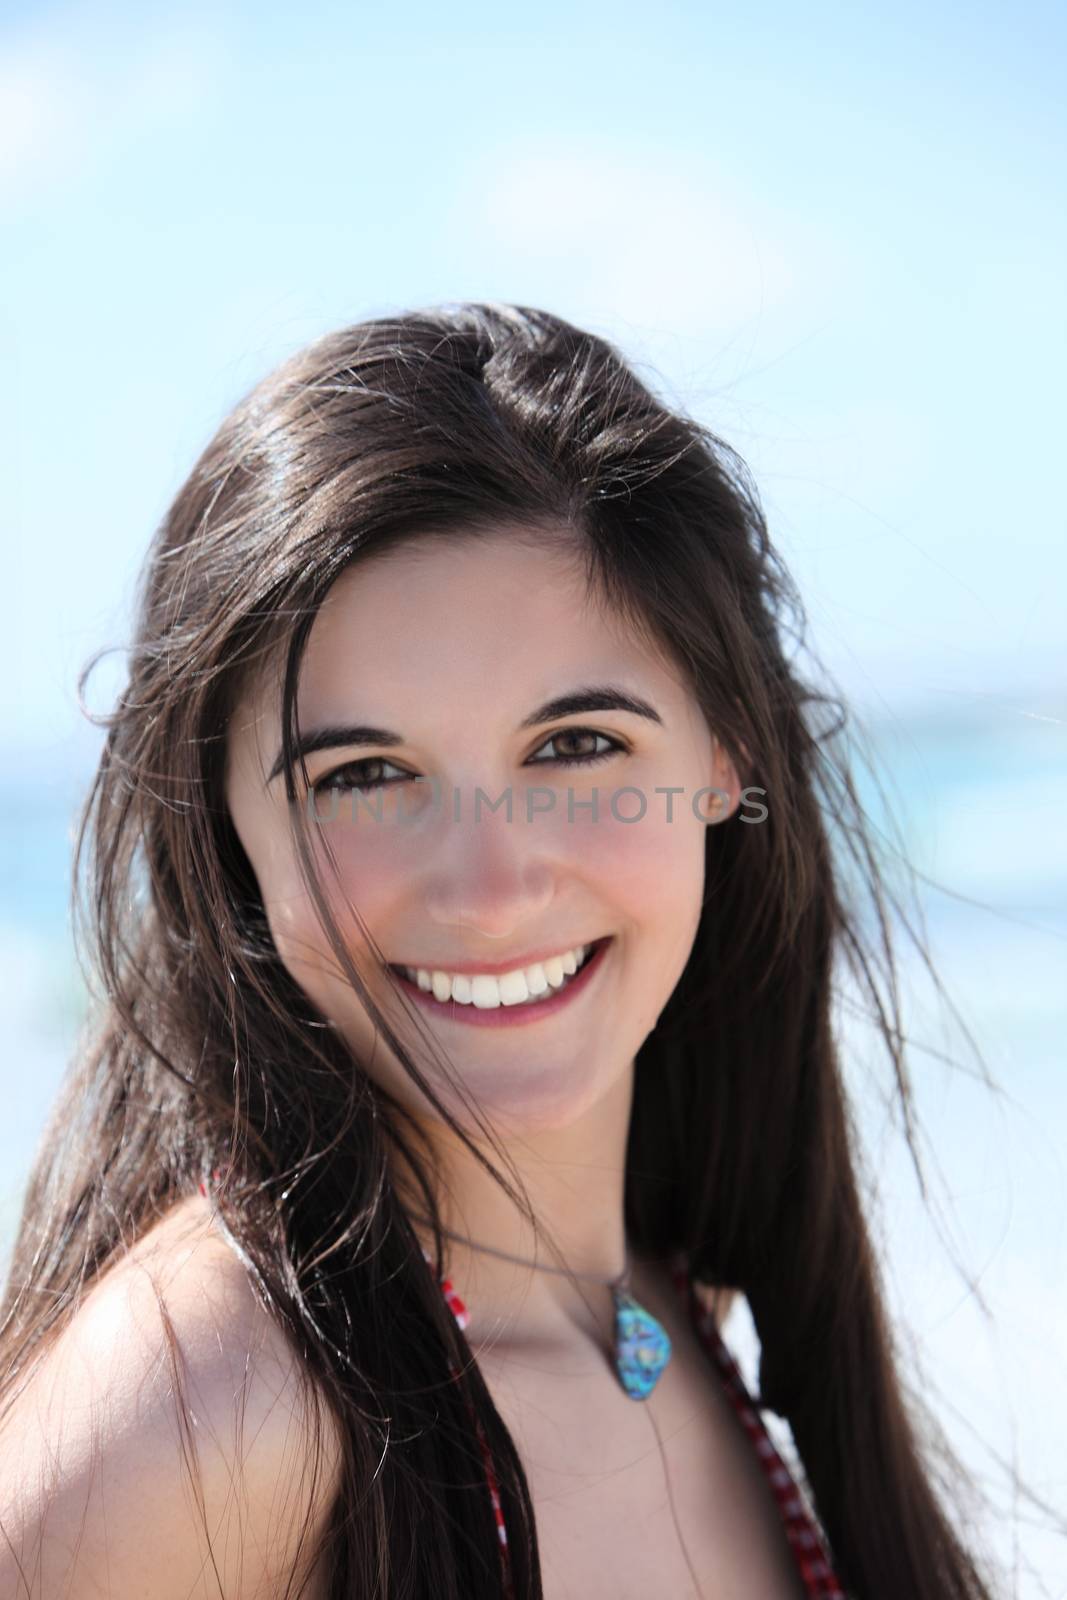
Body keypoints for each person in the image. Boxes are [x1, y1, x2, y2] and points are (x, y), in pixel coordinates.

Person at [0, 303, 1002, 1598]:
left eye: (578, 746)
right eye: (363, 775)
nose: (489, 888)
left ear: (725, 756)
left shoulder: (680, 1317)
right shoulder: (206, 1409)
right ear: (224, 832)